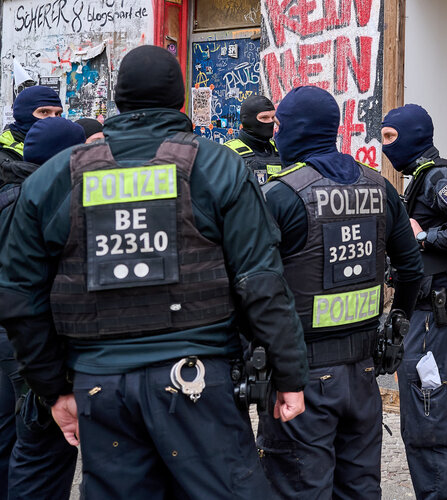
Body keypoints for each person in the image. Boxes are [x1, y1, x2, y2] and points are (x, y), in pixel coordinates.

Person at [0, 45, 309, 498]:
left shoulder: (52, 181)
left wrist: (53, 390)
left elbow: (18, 295)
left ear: (117, 102)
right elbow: (260, 281)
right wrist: (290, 376)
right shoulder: (217, 165)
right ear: (179, 100)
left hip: (100, 389)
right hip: (198, 383)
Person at [256, 85, 423, 499]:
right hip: (363, 372)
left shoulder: (282, 194)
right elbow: (411, 267)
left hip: (301, 377)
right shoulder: (379, 187)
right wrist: (395, 326)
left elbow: (256, 287)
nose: (275, 136)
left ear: (297, 128)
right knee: (359, 488)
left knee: (298, 487)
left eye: (280, 126)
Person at [381, 104, 447, 500]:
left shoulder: (438, 176)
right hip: (429, 315)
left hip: (436, 318)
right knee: (433, 405)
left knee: (425, 410)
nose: (384, 145)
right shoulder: (421, 179)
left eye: (391, 136)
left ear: (413, 134)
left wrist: (422, 237)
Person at [0, 117, 85, 500]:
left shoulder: (9, 189)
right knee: (42, 439)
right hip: (30, 337)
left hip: (10, 334)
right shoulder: (43, 199)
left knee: (13, 436)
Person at [223, 96, 281, 184]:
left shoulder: (279, 150)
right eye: (264, 118)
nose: (270, 122)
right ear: (248, 120)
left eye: (273, 117)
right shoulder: (228, 153)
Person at [0, 86, 63, 167]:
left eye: (57, 114)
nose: (54, 119)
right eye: (44, 112)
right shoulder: (5, 159)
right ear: (24, 115)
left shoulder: (61, 148)